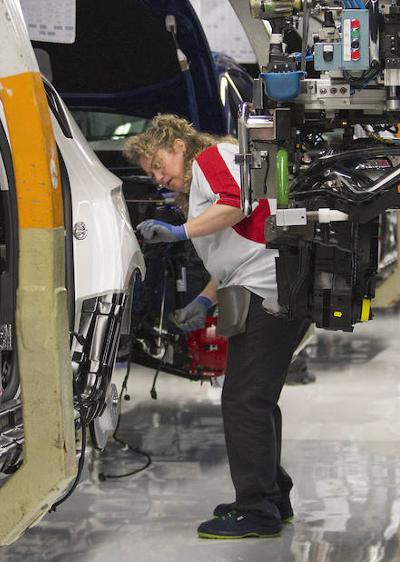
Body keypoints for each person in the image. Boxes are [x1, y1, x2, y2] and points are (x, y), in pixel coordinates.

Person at [123, 114, 308, 541]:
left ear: (177, 144)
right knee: (255, 399)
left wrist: (179, 231)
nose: (158, 178)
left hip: (270, 290)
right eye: (150, 173)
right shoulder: (203, 176)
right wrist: (206, 298)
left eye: (157, 164)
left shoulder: (212, 156)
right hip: (258, 286)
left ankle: (255, 510)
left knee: (244, 401)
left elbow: (236, 204)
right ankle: (272, 497)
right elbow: (232, 247)